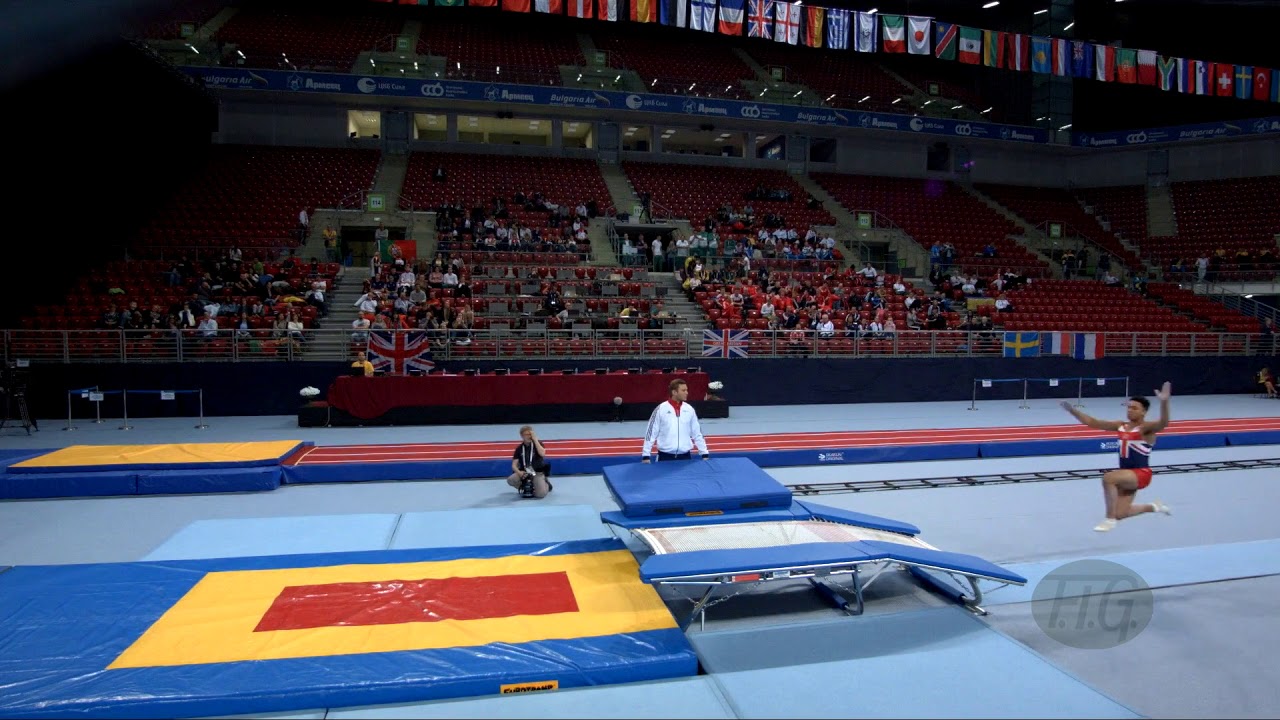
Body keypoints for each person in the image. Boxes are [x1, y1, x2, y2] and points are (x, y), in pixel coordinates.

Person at [1060, 383, 1173, 532]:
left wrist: (1164, 402)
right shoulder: (1121, 425)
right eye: (1128, 407)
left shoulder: (1146, 428)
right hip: (1126, 475)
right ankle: (1154, 506)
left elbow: (1164, 423)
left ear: (1143, 412)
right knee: (1121, 513)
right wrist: (1072, 411)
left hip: (1141, 474)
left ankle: (1109, 518)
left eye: (1134, 408)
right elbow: (1092, 423)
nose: (1130, 410)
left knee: (1108, 478)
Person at [641, 378, 710, 463]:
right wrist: (646, 455)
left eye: (687, 390)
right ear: (674, 392)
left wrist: (704, 453)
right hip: (665, 457)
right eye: (683, 390)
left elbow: (697, 432)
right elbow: (651, 433)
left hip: (685, 457)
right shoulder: (660, 409)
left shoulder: (689, 409)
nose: (687, 393)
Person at [507, 426, 552, 498]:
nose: (529, 436)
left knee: (540, 495)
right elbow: (514, 465)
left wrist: (535, 440)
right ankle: (526, 488)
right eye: (526, 435)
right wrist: (519, 473)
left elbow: (542, 453)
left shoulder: (538, 444)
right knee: (510, 480)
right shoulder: (519, 448)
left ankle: (546, 484)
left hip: (537, 472)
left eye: (530, 434)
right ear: (522, 436)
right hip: (525, 472)